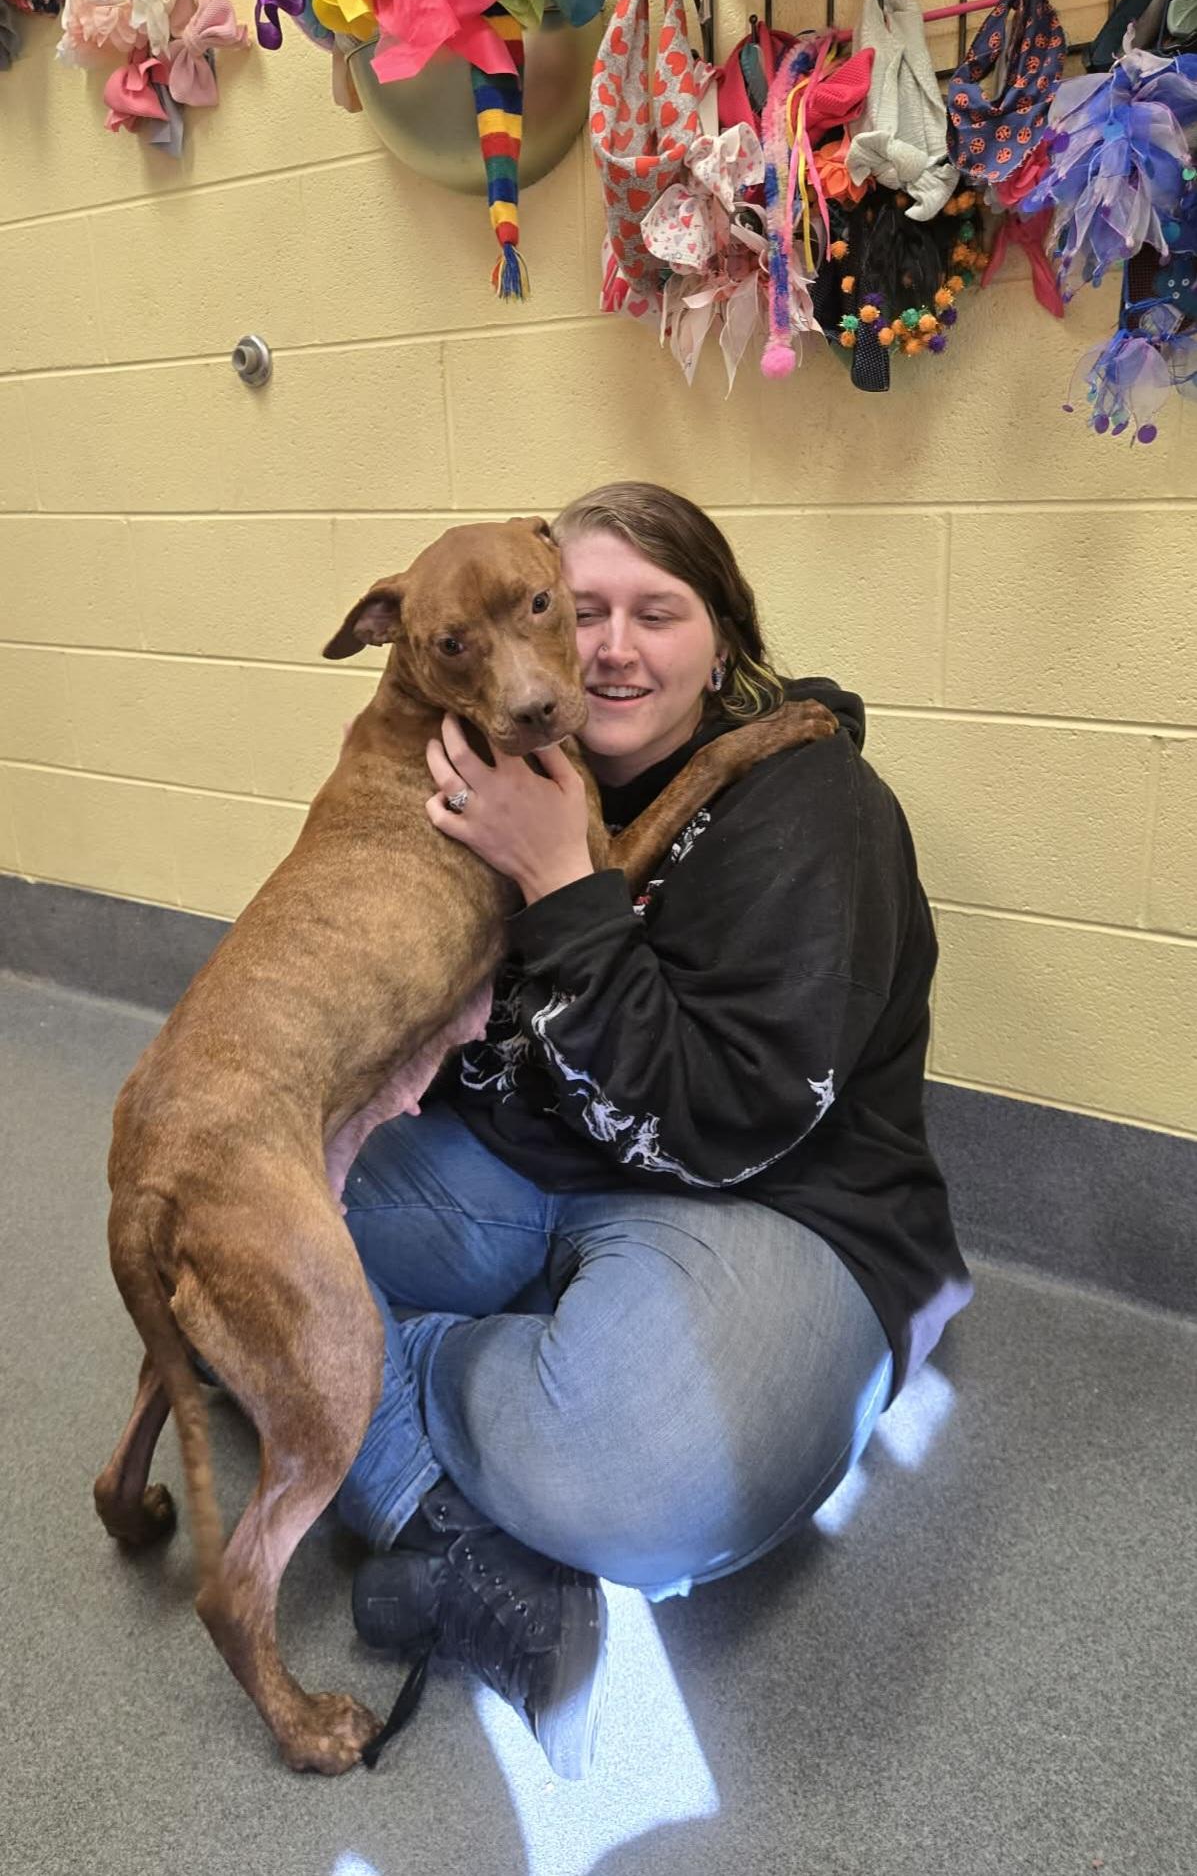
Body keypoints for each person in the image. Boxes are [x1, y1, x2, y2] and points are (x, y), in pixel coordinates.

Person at [335, 482, 974, 1780]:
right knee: (209, 1229)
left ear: (723, 636)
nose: (606, 648)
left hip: (760, 1203)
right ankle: (441, 1513)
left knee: (655, 1476)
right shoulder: (513, 764)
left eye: (656, 614)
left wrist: (561, 879)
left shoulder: (811, 806)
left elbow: (724, 1122)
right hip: (527, 1160)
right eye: (579, 612)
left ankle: (397, 1376)